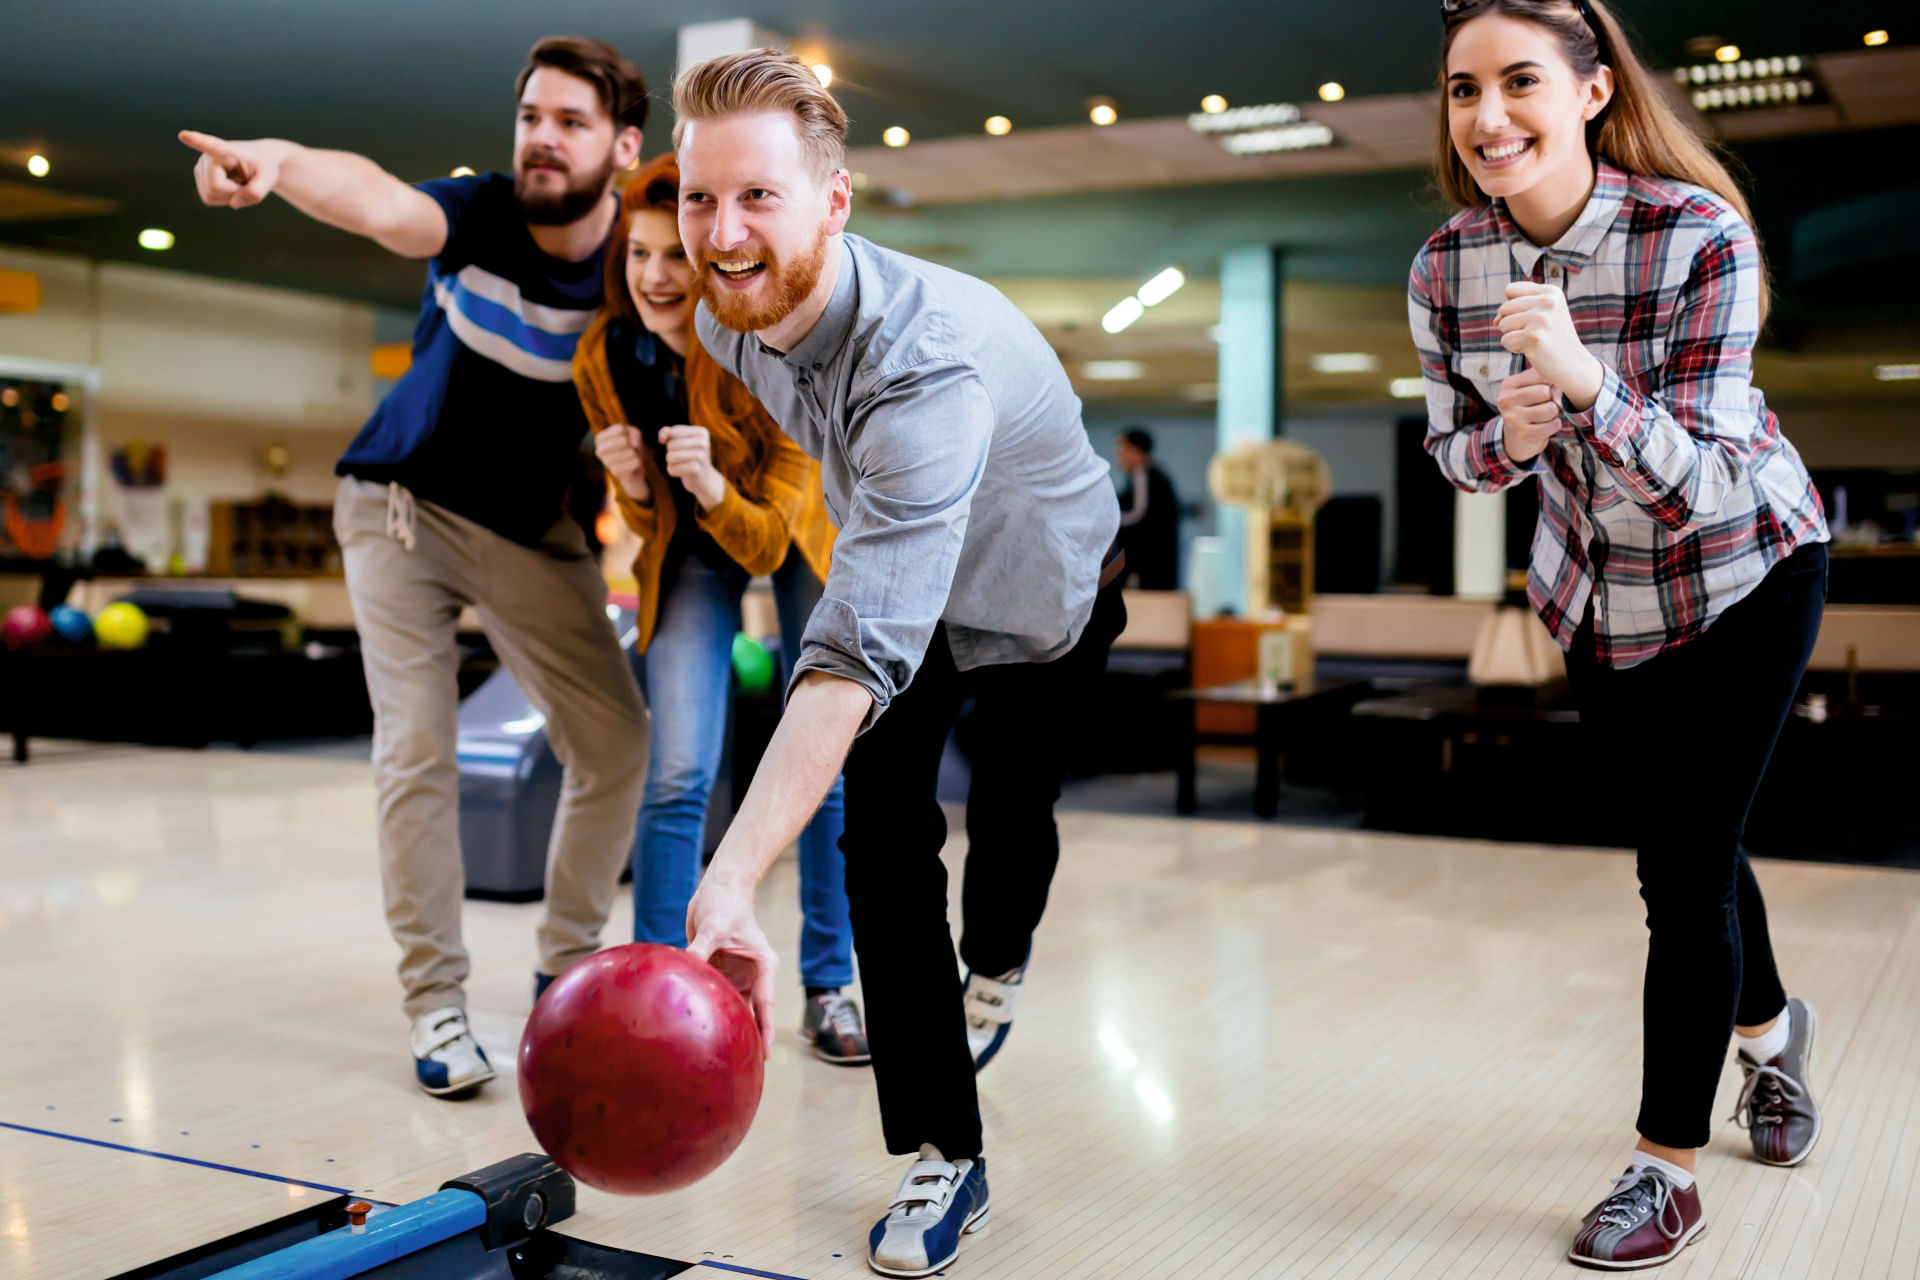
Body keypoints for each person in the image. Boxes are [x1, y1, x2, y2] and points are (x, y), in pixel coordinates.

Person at [669, 49, 1124, 1278]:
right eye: (698, 199)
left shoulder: (930, 365)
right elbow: (873, 613)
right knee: (881, 842)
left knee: (1013, 822)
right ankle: (945, 1150)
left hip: (1049, 593)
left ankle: (1004, 963)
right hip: (912, 588)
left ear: (834, 200)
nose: (722, 233)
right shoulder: (732, 307)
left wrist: (733, 873)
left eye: (757, 196)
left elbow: (844, 658)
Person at [1410, 1, 1830, 1268]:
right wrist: (1516, 437)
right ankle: (1770, 1035)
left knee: (1682, 868)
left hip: (1746, 571)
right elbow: (1457, 456)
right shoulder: (1447, 267)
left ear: (1592, 92)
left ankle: (1667, 1168)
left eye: (1521, 81)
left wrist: (1589, 388)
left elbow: (1706, 481)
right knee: (1687, 842)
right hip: (1593, 594)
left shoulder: (1697, 232)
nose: (1488, 117)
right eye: (1463, 89)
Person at [179, 37, 651, 1099]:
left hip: (534, 530)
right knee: (420, 746)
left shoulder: (639, 261)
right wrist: (276, 160)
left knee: (617, 743)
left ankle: (565, 970)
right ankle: (437, 1001)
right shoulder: (480, 214)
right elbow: (379, 202)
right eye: (531, 114)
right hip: (400, 506)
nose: (541, 137)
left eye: (571, 122)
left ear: (623, 145)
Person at [572, 154, 868, 1065]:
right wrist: (631, 486)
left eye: (674, 255)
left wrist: (704, 482)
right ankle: (660, 987)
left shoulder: (761, 336)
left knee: (817, 769)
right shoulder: (604, 353)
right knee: (679, 770)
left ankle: (830, 984)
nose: (656, 276)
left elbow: (774, 538)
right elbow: (646, 521)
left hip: (797, 527)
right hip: (690, 542)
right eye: (637, 255)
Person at [1114, 427, 1180, 589]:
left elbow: (1138, 514)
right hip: (1152, 564)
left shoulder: (1144, 476)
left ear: (1135, 451)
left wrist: (1107, 521)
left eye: (1122, 451)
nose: (1119, 457)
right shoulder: (1146, 477)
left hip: (1148, 564)